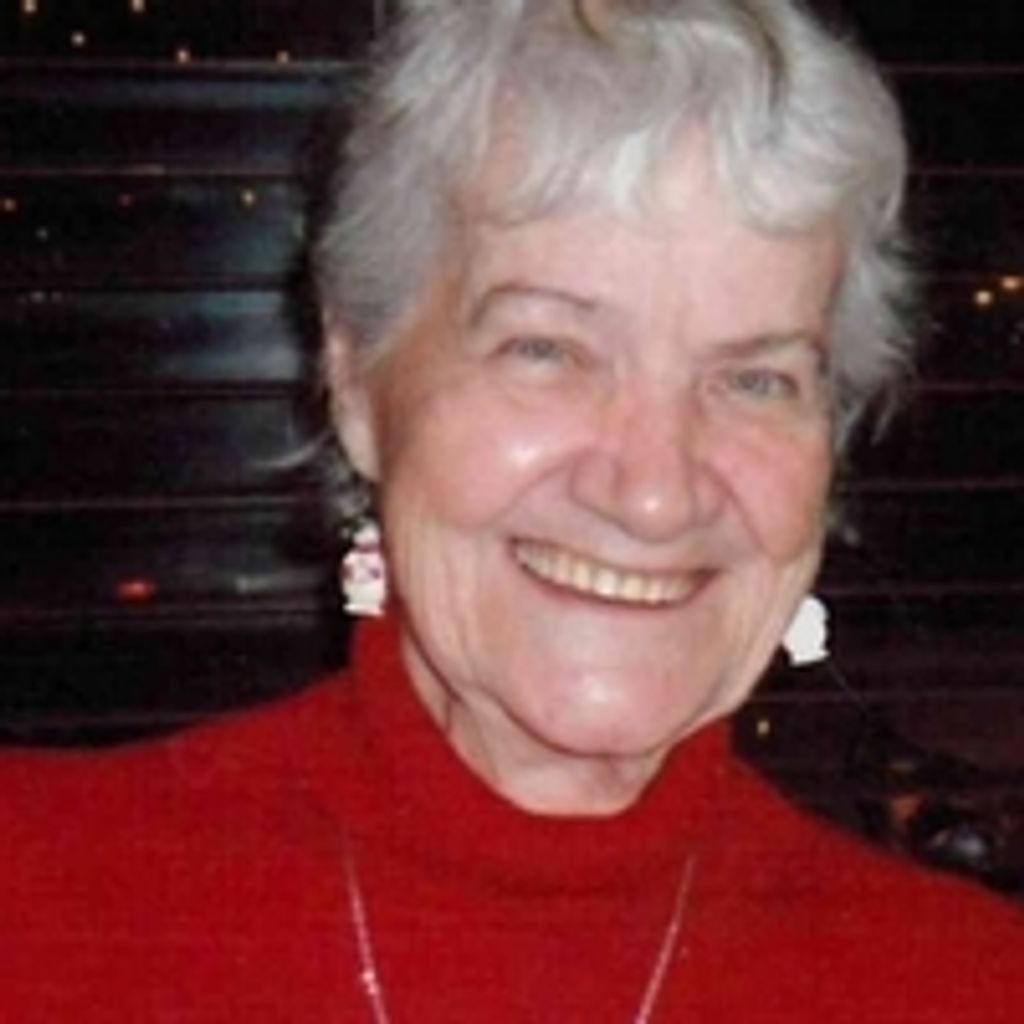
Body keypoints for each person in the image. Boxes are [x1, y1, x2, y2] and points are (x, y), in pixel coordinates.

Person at [1, 1, 1020, 1020]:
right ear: (356, 384)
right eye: (548, 350)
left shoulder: (967, 984)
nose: (654, 493)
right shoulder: (37, 899)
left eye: (754, 380)